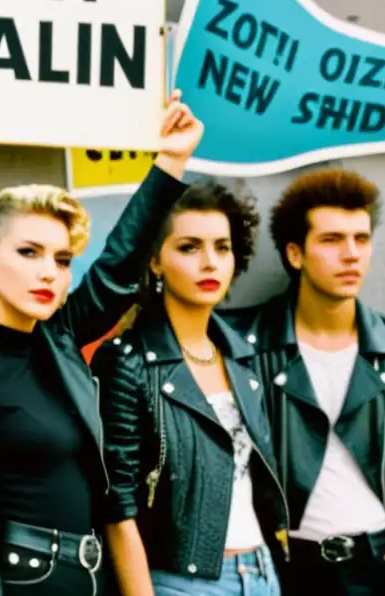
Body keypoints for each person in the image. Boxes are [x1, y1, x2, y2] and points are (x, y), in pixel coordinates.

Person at [0, 91, 204, 596]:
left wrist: (172, 160)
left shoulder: (60, 339)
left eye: (60, 259)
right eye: (29, 252)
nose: (47, 272)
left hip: (91, 579)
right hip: (19, 582)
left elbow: (118, 266)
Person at [224, 168, 385, 593]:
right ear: (296, 254)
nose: (351, 254)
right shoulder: (245, 349)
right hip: (287, 569)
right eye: (332, 240)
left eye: (362, 239)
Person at [91, 182, 288, 596]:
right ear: (156, 261)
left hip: (262, 572)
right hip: (181, 583)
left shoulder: (242, 356)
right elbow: (117, 507)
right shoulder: (127, 361)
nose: (210, 262)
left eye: (222, 247)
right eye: (189, 247)